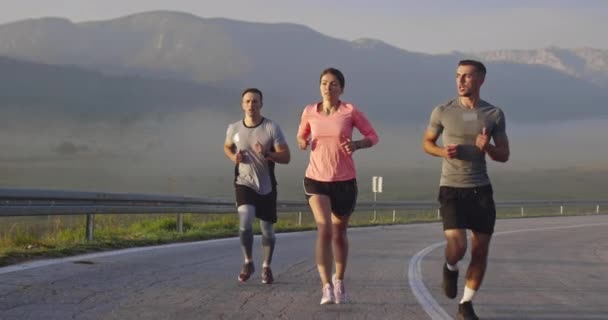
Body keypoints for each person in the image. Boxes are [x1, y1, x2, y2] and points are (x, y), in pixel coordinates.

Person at [422, 60, 510, 319]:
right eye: (458, 76)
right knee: (458, 247)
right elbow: (427, 142)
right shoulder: (443, 111)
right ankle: (450, 267)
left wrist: (489, 148)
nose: (460, 81)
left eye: (467, 77)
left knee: (480, 250)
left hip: (481, 190)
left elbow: (504, 154)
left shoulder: (494, 114)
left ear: (480, 80)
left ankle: (466, 304)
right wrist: (440, 151)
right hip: (451, 188)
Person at [297, 67, 379, 304]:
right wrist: (303, 141)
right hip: (316, 178)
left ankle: (339, 280)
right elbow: (301, 136)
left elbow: (373, 136)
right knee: (324, 228)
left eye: (333, 84)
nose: (328, 87)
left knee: (339, 233)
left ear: (341, 88)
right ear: (319, 86)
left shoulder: (350, 111)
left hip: (344, 180)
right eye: (324, 83)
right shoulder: (310, 111)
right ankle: (325, 286)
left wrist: (357, 145)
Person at [224, 88, 291, 285]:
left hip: (267, 186)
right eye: (247, 101)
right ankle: (248, 262)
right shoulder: (234, 128)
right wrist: (233, 157)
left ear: (261, 104)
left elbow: (286, 157)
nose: (251, 105)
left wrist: (267, 154)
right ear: (242, 105)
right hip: (244, 183)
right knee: (245, 223)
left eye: (255, 101)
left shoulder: (271, 128)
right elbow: (227, 146)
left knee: (267, 231)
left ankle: (266, 267)